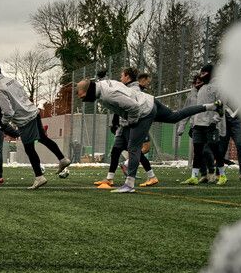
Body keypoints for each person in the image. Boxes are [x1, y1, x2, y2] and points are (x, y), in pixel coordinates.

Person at [76, 76, 219, 193]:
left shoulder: (107, 95)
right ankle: (211, 106)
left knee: (133, 146)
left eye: (83, 97)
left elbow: (133, 107)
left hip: (143, 111)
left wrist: (131, 122)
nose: (83, 100)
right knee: (175, 116)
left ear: (89, 91)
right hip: (150, 101)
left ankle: (129, 184)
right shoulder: (102, 86)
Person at [0, 59, 71, 189]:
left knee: (29, 148)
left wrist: (3, 124)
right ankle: (63, 159)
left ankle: (39, 177)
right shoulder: (11, 80)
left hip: (24, 119)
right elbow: (23, 95)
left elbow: (8, 111)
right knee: (43, 138)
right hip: (33, 111)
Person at [96, 67, 157, 188]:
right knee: (115, 151)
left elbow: (132, 107)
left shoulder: (134, 89)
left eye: (122, 76)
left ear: (128, 77)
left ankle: (151, 176)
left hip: (131, 125)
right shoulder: (127, 87)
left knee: (136, 152)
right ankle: (109, 178)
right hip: (123, 125)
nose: (120, 78)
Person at [183, 69, 223, 185]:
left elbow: (221, 107)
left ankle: (220, 175)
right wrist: (192, 124)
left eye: (204, 73)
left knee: (214, 151)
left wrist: (214, 122)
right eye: (196, 82)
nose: (198, 83)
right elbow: (191, 111)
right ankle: (195, 176)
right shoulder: (197, 92)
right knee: (198, 152)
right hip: (197, 126)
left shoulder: (216, 88)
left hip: (210, 126)